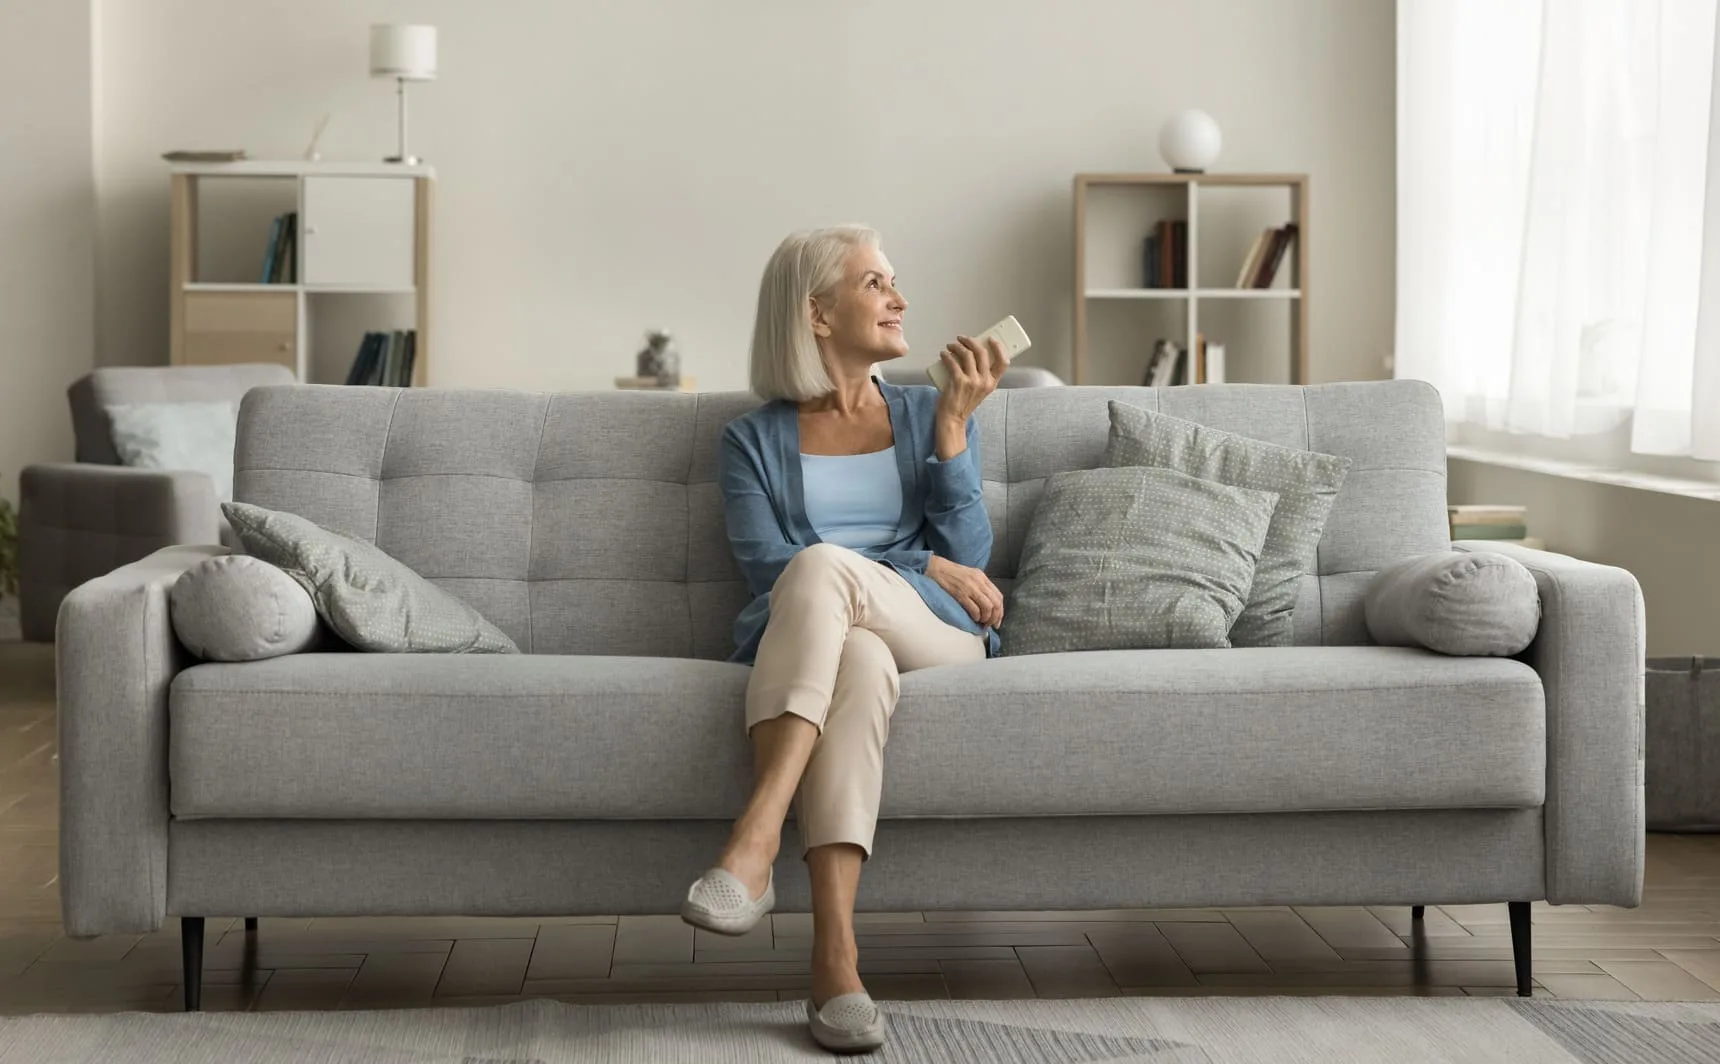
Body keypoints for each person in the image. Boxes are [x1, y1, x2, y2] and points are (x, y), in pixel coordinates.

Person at [679, 225, 1007, 1052]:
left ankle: (755, 841)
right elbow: (770, 571)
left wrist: (956, 434)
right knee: (854, 650)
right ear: (818, 314)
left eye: (895, 281)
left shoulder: (929, 409)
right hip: (838, 635)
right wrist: (916, 559)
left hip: (938, 634)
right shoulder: (749, 441)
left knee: (828, 568)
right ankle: (836, 965)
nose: (899, 299)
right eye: (875, 284)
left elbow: (970, 569)